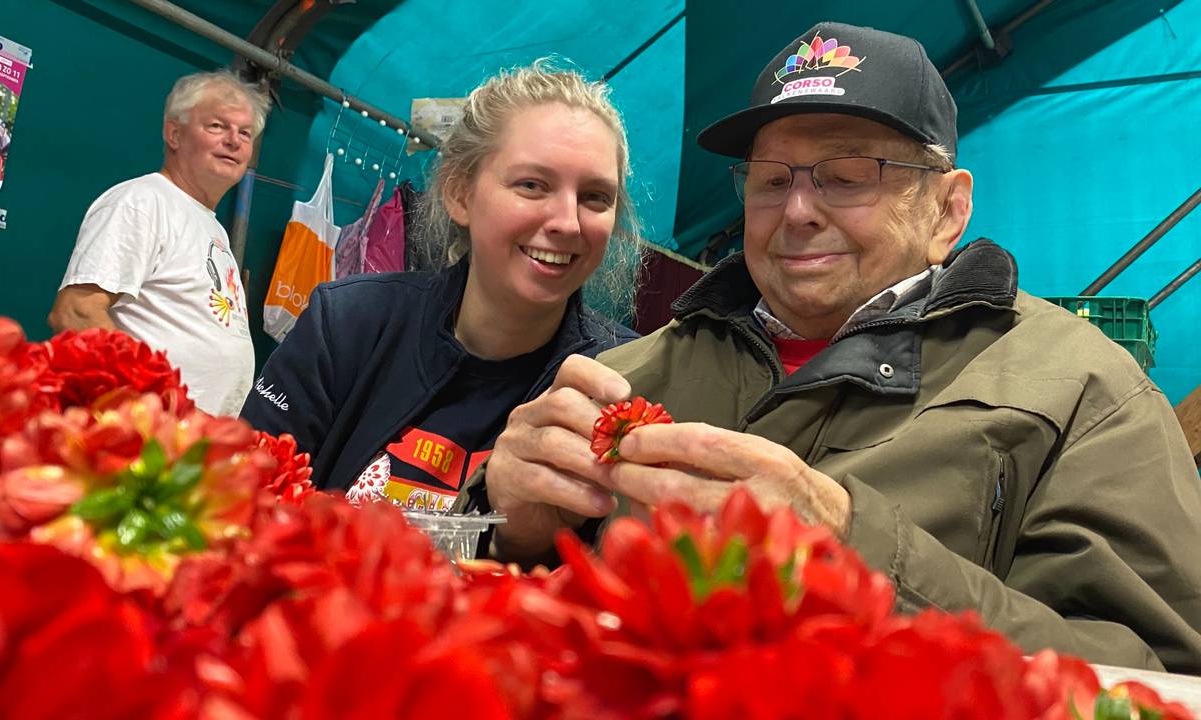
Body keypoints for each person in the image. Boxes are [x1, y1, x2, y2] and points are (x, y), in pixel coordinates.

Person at [464, 22, 1201, 674]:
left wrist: (851, 548)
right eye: (771, 180)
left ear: (949, 209)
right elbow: (517, 621)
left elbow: (1157, 676)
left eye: (848, 178)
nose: (799, 211)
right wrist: (508, 530)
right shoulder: (624, 375)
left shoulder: (1082, 388)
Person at [240, 60, 641, 513]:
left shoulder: (624, 380)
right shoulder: (347, 324)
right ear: (459, 193)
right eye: (532, 185)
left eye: (594, 197)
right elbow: (238, 501)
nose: (568, 223)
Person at [49, 70, 269, 417]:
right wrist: (153, 404)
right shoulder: (142, 201)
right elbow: (76, 312)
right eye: (217, 126)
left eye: (245, 133)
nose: (234, 141)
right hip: (140, 434)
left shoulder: (210, 225)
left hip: (185, 446)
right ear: (174, 134)